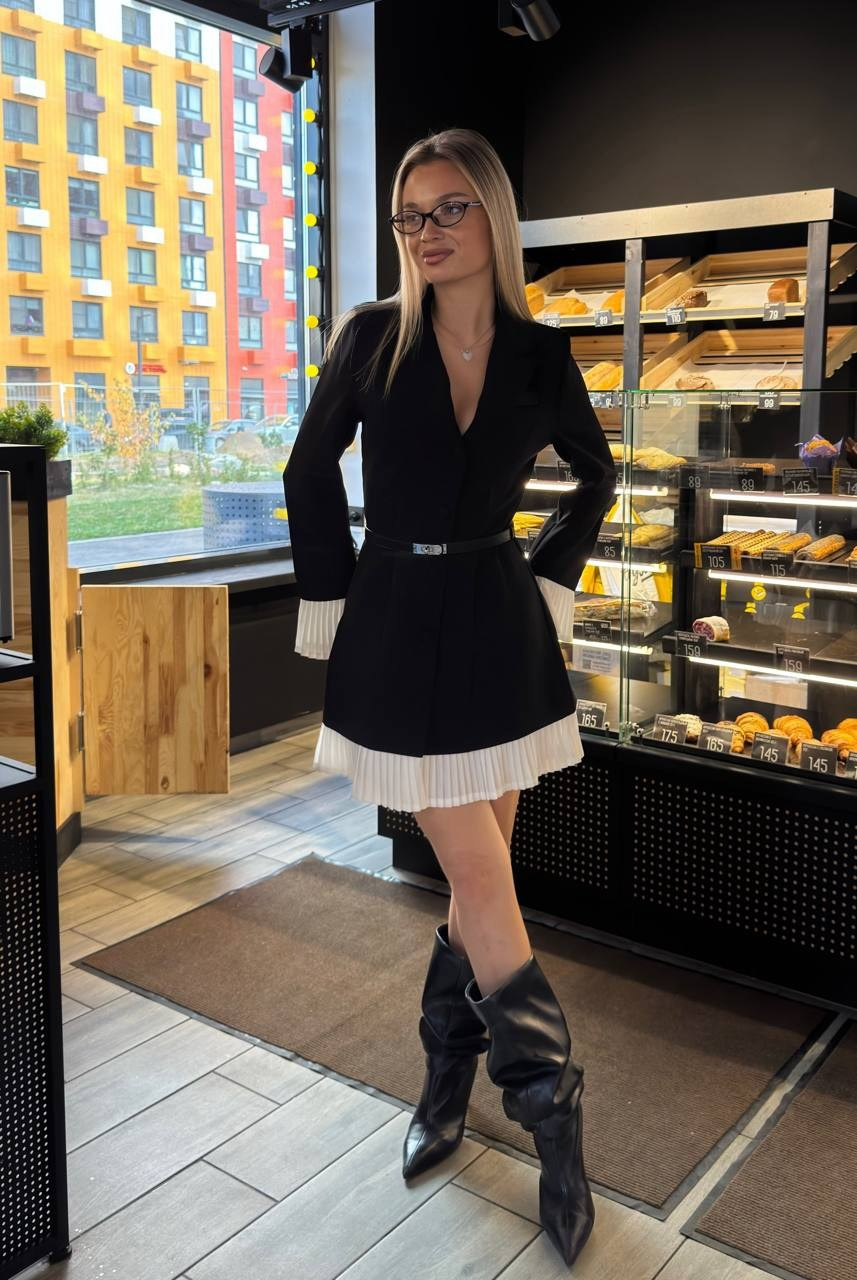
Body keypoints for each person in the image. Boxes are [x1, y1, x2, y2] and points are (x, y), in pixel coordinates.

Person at [283, 127, 616, 1267]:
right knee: (479, 872)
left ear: (492, 216)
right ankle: (553, 1116)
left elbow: (597, 476)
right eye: (408, 215)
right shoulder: (370, 337)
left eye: (447, 209)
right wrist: (328, 602)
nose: (425, 231)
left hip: (497, 622)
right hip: (389, 622)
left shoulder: (539, 353)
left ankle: (441, 1082)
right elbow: (306, 468)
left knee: (482, 883)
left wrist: (550, 580)